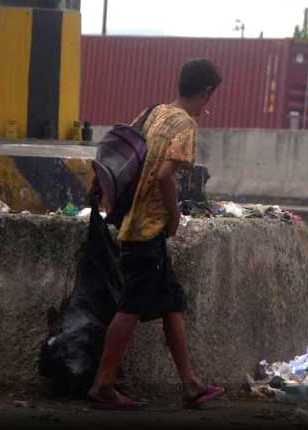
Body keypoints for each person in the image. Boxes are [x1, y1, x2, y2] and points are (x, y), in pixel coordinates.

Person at [88, 58, 224, 410]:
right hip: (147, 231)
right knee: (130, 307)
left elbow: (115, 150)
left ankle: (190, 384)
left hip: (136, 225)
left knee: (172, 303)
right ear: (207, 92)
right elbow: (165, 176)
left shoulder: (155, 113)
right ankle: (103, 384)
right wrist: (175, 217)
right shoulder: (186, 126)